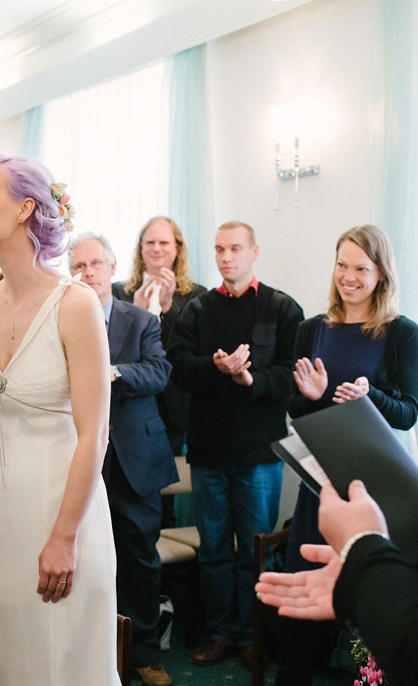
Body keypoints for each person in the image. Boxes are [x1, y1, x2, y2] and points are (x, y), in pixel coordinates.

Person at [0, 155, 119, 684]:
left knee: (55, 658)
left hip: (58, 511)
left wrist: (64, 536)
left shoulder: (75, 303)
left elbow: (95, 433)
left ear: (25, 209)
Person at [277, 224, 418, 685]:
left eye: (361, 268)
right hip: (319, 479)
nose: (349, 277)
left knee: (366, 588)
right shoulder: (311, 329)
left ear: (381, 274)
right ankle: (293, 677)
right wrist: (314, 394)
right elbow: (296, 410)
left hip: (371, 487)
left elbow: (408, 414)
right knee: (303, 579)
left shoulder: (402, 333)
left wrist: (370, 396)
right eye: (342, 265)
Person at [167, 220, 303, 669]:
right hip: (207, 451)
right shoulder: (199, 309)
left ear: (254, 251)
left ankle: (252, 635)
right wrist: (216, 367)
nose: (227, 257)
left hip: (260, 452)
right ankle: (221, 632)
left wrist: (249, 378)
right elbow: (179, 369)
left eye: (236, 249)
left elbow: (291, 377)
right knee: (215, 552)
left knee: (256, 549)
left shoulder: (283, 308)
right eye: (220, 249)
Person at [69, 232, 176, 686]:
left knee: (139, 559)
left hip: (134, 454)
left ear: (113, 269)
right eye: (78, 266)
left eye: (95, 264)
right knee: (87, 559)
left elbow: (159, 371)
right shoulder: (63, 316)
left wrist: (112, 371)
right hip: (79, 455)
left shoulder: (141, 320)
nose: (87, 273)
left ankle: (144, 654)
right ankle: (95, 658)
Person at [255, 480, 418, 686]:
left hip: (383, 532)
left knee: (373, 614)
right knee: (299, 605)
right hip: (320, 504)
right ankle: (295, 676)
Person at [113, 216, 207, 454]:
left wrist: (169, 309)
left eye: (164, 243)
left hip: (175, 407)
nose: (156, 249)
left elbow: (193, 350)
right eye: (150, 242)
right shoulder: (117, 292)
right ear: (140, 249)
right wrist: (137, 313)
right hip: (127, 405)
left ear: (177, 249)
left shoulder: (197, 296)